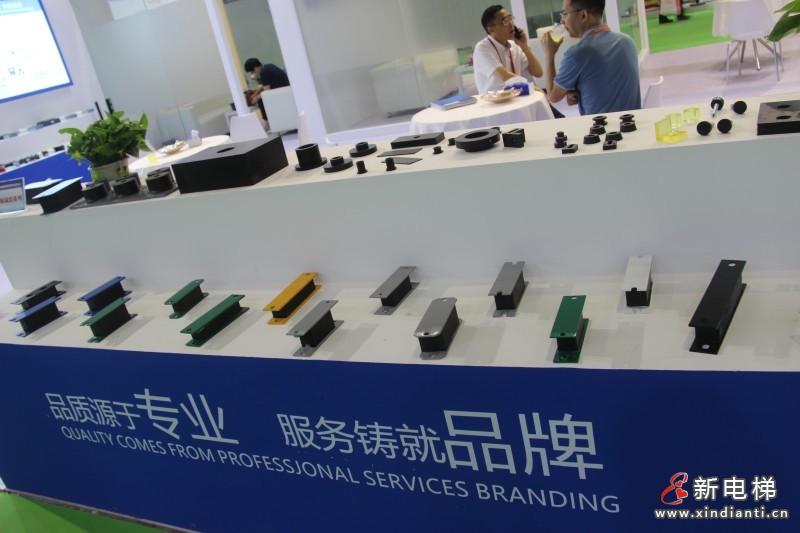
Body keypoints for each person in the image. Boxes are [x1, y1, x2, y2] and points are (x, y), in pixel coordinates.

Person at [541, 0, 641, 116]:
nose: (562, 20)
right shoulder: (627, 41)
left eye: (565, 13)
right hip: (633, 122)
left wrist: (549, 55)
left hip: (602, 126)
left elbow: (552, 96)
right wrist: (583, 90)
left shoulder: (577, 54)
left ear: (583, 15)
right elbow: (610, 83)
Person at [473, 6, 543, 95]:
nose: (511, 24)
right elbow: (505, 75)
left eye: (511, 19)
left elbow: (538, 73)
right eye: (505, 21)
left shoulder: (515, 45)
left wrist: (525, 47)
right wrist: (530, 87)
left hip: (515, 98)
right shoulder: (482, 48)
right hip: (494, 102)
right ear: (491, 30)